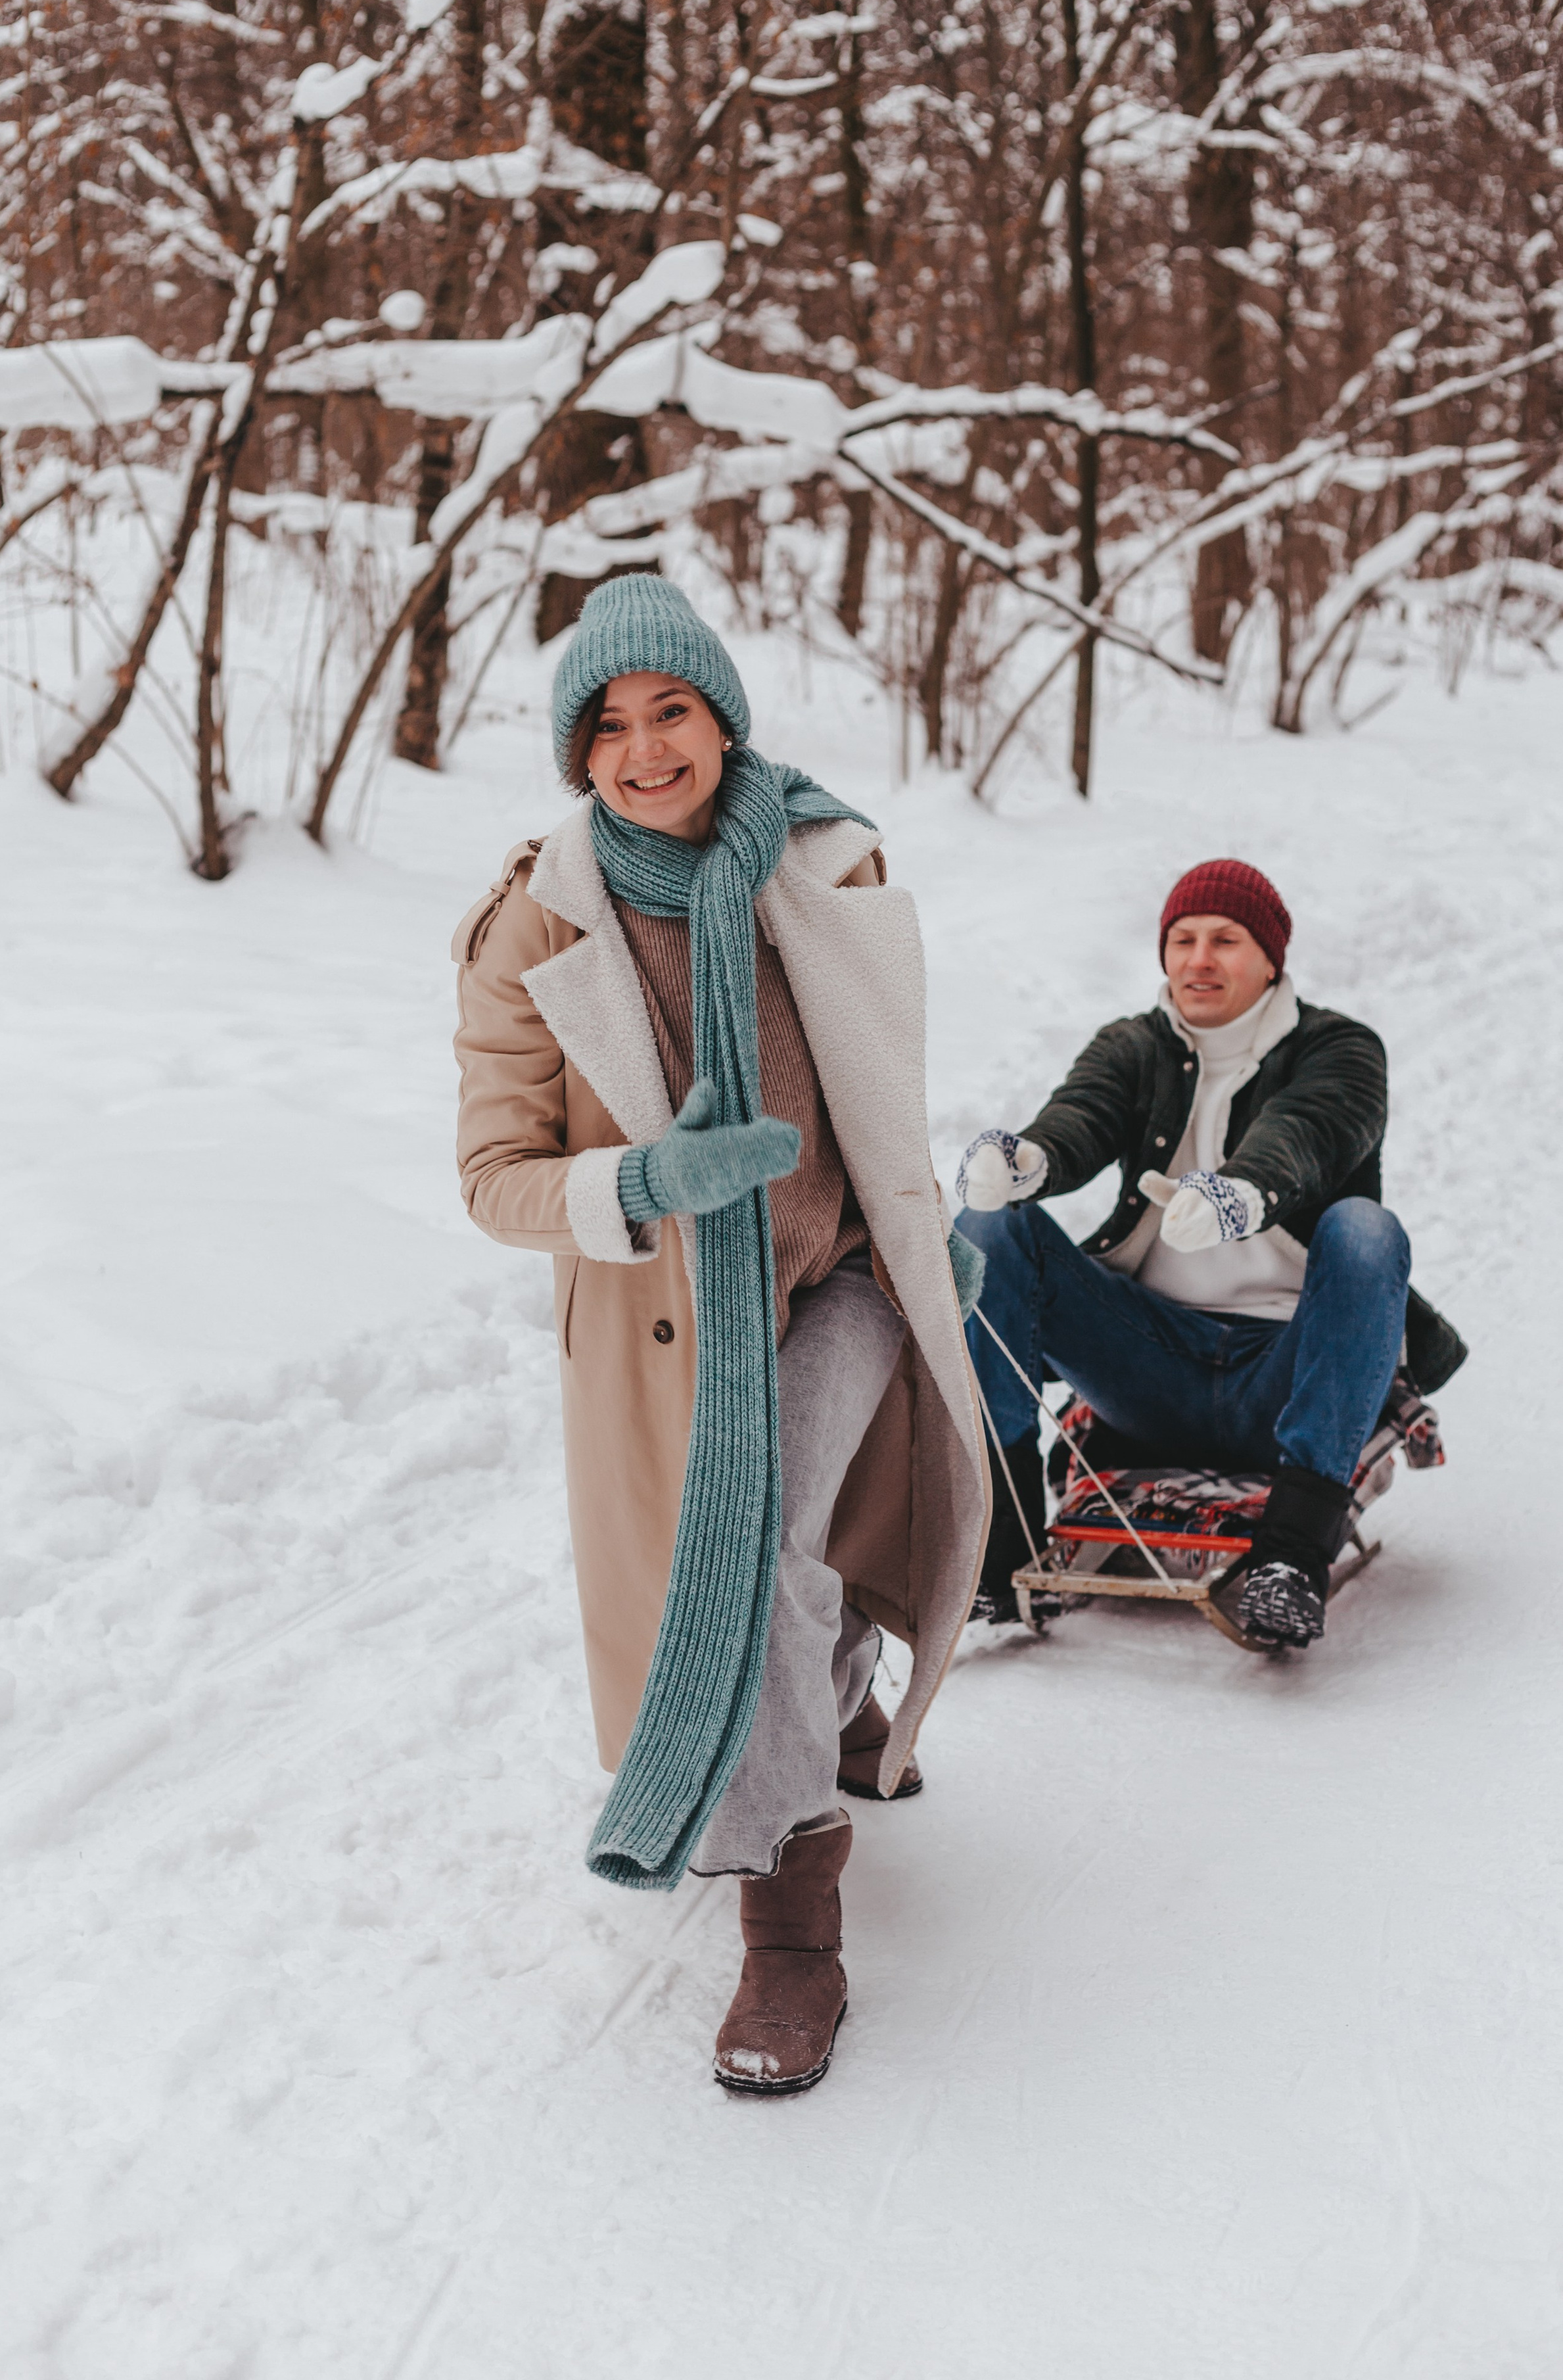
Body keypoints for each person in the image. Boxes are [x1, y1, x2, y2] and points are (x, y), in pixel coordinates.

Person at [452, 574, 989, 2095]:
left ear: (720, 713)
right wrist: (638, 1178)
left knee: (766, 1550)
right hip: (670, 1315)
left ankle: (790, 1937)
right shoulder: (528, 928)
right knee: (769, 1560)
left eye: (669, 709)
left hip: (846, 1275)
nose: (642, 748)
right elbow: (491, 1176)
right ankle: (824, 1705)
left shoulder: (826, 855)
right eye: (606, 725)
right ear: (576, 753)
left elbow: (883, 1074)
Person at [953, 859, 1466, 1646]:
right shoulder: (1132, 1045)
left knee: (1366, 1230)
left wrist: (1242, 1193)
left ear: (1271, 958)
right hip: (1148, 1366)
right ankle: (1003, 1548)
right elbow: (1081, 1115)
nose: (1199, 958)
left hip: (1288, 1372)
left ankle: (1291, 1561)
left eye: (1225, 939)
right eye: (1182, 939)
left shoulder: (1341, 1048)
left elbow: (1308, 1130)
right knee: (988, 1231)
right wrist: (1031, 1162)